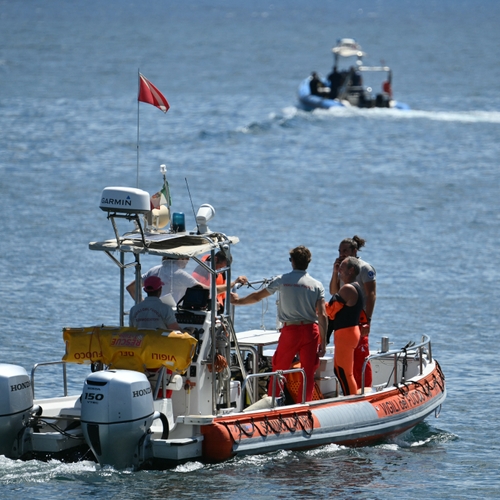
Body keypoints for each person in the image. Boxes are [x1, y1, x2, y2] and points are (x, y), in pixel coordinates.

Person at [231, 246, 327, 402]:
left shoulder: (282, 280)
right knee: (308, 372)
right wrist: (324, 342)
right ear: (308, 263)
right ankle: (305, 404)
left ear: (293, 261)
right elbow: (322, 315)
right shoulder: (317, 285)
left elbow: (257, 297)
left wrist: (237, 302)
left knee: (279, 368)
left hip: (291, 331)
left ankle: (273, 401)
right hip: (311, 330)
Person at [329, 235, 376, 388]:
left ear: (354, 251)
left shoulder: (364, 268)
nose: (341, 253)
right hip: (344, 320)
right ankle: (352, 391)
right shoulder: (342, 268)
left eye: (345, 250)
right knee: (346, 362)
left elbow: (371, 295)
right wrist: (335, 272)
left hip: (359, 317)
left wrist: (368, 319)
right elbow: (333, 292)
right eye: (339, 250)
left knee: (361, 357)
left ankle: (366, 389)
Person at [328, 257, 363, 396]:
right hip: (346, 332)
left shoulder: (348, 288)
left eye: (342, 267)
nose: (339, 268)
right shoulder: (354, 286)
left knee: (344, 372)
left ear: (351, 270)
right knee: (338, 370)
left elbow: (330, 310)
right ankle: (350, 397)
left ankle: (352, 401)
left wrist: (316, 305)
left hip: (346, 333)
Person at [126, 256, 206, 305]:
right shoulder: (180, 274)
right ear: (179, 259)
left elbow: (131, 287)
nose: (188, 259)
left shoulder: (153, 270)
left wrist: (144, 304)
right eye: (186, 257)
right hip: (173, 316)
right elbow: (207, 290)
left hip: (153, 312)